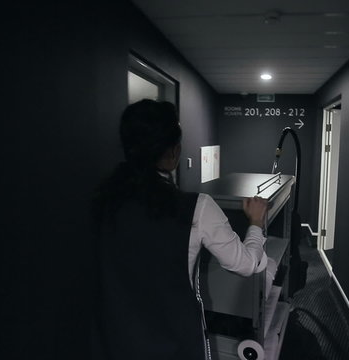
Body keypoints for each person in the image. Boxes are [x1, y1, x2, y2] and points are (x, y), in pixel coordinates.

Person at [91, 99, 268, 360]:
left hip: (113, 344)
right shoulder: (197, 207)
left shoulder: (103, 201)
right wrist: (255, 224)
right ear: (174, 153)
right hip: (175, 347)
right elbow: (246, 264)